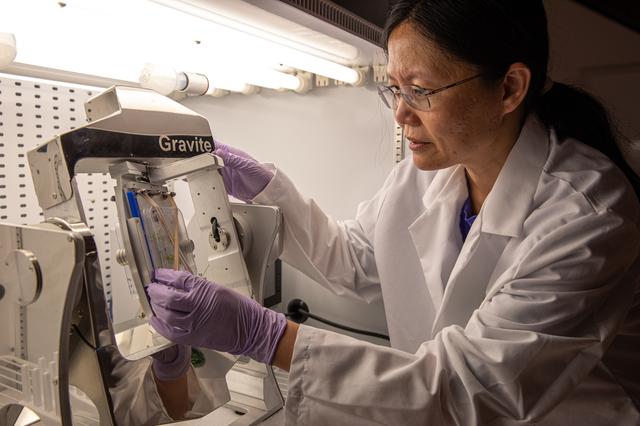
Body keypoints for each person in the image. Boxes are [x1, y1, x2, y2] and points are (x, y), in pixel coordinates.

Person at [148, 0, 640, 424]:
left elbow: (470, 387)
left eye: (420, 90)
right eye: (395, 89)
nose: (401, 113)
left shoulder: (588, 217)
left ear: (509, 88)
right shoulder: (429, 171)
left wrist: (264, 336)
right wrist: (267, 190)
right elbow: (358, 259)